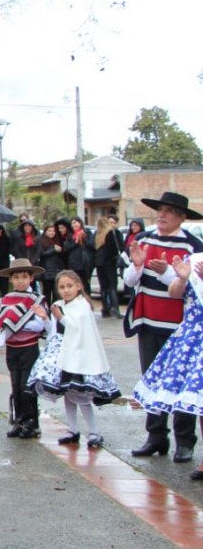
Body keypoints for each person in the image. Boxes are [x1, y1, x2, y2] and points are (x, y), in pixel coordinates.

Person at [122, 191, 203, 461]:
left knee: (180, 383)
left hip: (181, 328)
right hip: (148, 320)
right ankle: (156, 437)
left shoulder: (193, 246)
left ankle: (185, 441)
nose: (162, 215)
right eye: (160, 210)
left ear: (181, 216)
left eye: (169, 211)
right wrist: (137, 265)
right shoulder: (143, 240)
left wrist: (167, 272)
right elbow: (130, 281)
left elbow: (193, 287)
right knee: (153, 379)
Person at [28, 270, 121, 448]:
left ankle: (94, 431)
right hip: (63, 355)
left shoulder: (82, 305)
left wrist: (60, 317)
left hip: (79, 356)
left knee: (81, 395)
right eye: (62, 287)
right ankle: (72, 429)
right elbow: (53, 332)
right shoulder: (58, 304)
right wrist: (46, 318)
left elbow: (76, 329)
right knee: (68, 394)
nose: (66, 290)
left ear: (79, 286)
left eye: (70, 286)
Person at [133, 251, 203, 480]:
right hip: (193, 338)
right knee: (198, 401)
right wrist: (182, 278)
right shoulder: (194, 259)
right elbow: (175, 293)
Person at [0, 258, 48, 439]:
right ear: (11, 280)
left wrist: (16, 325)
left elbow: (39, 326)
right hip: (12, 348)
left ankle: (32, 423)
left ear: (31, 279)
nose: (20, 281)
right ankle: (19, 420)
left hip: (29, 348)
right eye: (16, 277)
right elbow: (0, 322)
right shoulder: (6, 300)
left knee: (26, 386)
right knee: (15, 384)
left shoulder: (36, 300)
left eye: (24, 277)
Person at [94, 215, 124, 318]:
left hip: (99, 264)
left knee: (103, 287)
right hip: (109, 263)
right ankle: (116, 309)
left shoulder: (97, 235)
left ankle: (105, 309)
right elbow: (114, 249)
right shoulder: (110, 233)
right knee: (112, 286)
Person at [62, 216, 94, 294]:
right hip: (74, 263)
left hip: (85, 263)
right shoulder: (70, 236)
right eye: (72, 224)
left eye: (75, 222)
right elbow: (67, 249)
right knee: (75, 282)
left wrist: (83, 238)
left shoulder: (87, 232)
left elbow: (92, 245)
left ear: (80, 223)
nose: (73, 225)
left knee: (85, 283)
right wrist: (76, 241)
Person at [36, 224, 65, 305]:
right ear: (45, 231)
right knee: (47, 292)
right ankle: (47, 308)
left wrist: (60, 250)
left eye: (53, 231)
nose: (51, 233)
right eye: (49, 231)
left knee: (56, 292)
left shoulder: (58, 240)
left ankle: (55, 308)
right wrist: (54, 250)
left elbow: (62, 254)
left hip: (57, 269)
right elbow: (42, 254)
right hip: (46, 270)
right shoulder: (41, 240)